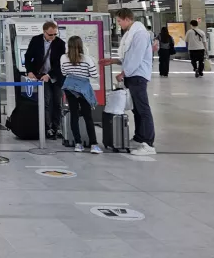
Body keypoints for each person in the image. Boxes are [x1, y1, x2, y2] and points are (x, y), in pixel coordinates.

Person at [100, 8, 156, 156]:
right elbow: (129, 57)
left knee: (143, 109)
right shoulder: (131, 35)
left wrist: (123, 72)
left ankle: (149, 143)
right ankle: (139, 137)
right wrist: (113, 60)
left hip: (138, 76)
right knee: (136, 109)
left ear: (126, 18)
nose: (119, 24)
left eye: (119, 21)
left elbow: (136, 59)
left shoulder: (140, 35)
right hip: (133, 75)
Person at [24, 21, 66, 139]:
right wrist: (30, 71)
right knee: (46, 101)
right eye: (50, 34)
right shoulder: (36, 40)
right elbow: (28, 56)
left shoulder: (60, 43)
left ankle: (56, 127)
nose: (52, 37)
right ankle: (47, 128)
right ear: (44, 32)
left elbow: (60, 63)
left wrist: (50, 75)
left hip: (56, 76)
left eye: (54, 34)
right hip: (41, 75)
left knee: (57, 103)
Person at [60, 36, 102, 154]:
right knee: (87, 116)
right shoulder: (87, 59)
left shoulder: (63, 58)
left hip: (69, 87)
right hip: (83, 88)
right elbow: (94, 74)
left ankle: (78, 144)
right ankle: (93, 144)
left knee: (74, 114)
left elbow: (64, 72)